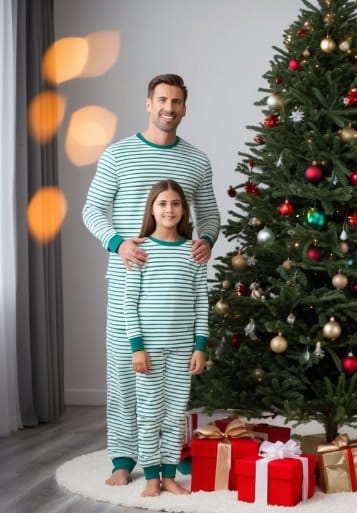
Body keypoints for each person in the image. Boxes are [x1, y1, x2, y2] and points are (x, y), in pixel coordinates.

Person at [82, 73, 220, 486]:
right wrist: (119, 243)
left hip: (175, 289)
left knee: (174, 381)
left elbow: (210, 214)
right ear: (148, 103)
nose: (169, 109)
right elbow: (91, 210)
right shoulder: (118, 155)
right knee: (127, 371)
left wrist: (206, 241)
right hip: (129, 281)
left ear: (184, 108)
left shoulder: (196, 160)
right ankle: (124, 458)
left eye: (176, 102)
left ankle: (169, 456)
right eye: (162, 100)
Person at [124, 179, 208, 496]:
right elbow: (129, 304)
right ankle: (150, 477)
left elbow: (202, 301)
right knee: (149, 414)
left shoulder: (193, 251)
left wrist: (200, 347)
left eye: (175, 204)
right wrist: (137, 348)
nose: (169, 209)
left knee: (175, 415)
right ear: (152, 209)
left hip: (183, 349)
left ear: (183, 209)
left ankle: (169, 475)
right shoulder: (140, 250)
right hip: (148, 349)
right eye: (162, 204)